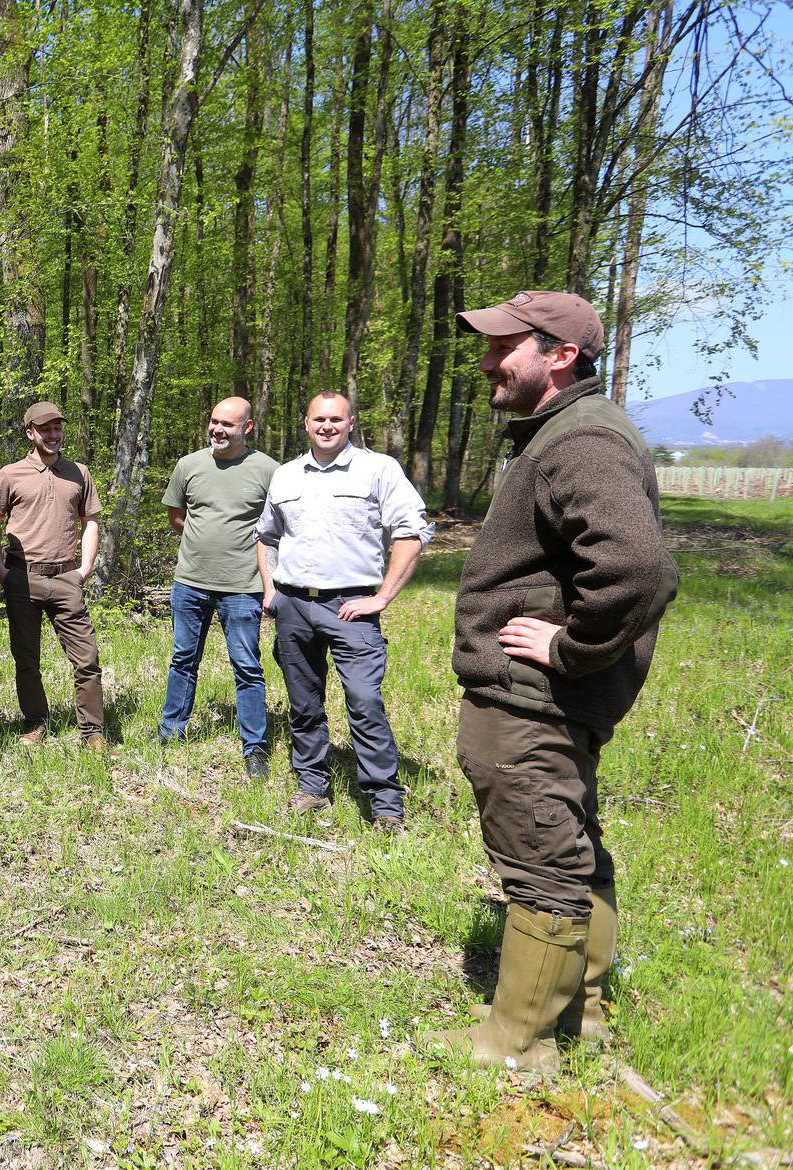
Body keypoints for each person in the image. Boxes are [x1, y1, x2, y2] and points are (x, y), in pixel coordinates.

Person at [426, 291, 677, 1073]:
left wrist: (570, 650)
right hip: (548, 700)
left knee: (540, 859)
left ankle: (518, 1046)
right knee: (569, 847)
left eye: (505, 346)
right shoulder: (571, 432)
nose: (488, 361)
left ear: (559, 354)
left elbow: (637, 569)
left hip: (536, 699)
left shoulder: (581, 441)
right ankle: (584, 1014)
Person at [257, 391, 433, 832]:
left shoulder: (378, 470)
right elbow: (266, 537)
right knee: (304, 703)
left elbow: (412, 532)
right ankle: (312, 785)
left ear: (351, 422)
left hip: (351, 605)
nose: (327, 426)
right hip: (294, 605)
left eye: (336, 419)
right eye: (319, 419)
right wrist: (270, 589)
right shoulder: (286, 476)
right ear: (305, 423)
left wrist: (382, 598)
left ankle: (385, 803)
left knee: (365, 701)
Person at [157, 397, 279, 776]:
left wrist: (270, 582)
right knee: (183, 660)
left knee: (247, 666)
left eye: (228, 424)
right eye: (214, 421)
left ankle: (254, 747)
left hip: (243, 586)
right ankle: (170, 732)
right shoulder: (189, 465)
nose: (218, 429)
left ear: (248, 427)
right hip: (189, 582)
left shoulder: (269, 470)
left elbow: (279, 529)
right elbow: (177, 516)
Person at [0, 401, 105, 750]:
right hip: (23, 577)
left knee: (87, 658)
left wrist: (84, 569)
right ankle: (36, 722)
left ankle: (93, 731)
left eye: (57, 428)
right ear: (30, 433)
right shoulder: (9, 474)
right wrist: (1, 571)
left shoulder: (79, 473)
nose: (53, 435)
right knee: (26, 658)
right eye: (45, 429)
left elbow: (91, 522)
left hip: (67, 577)